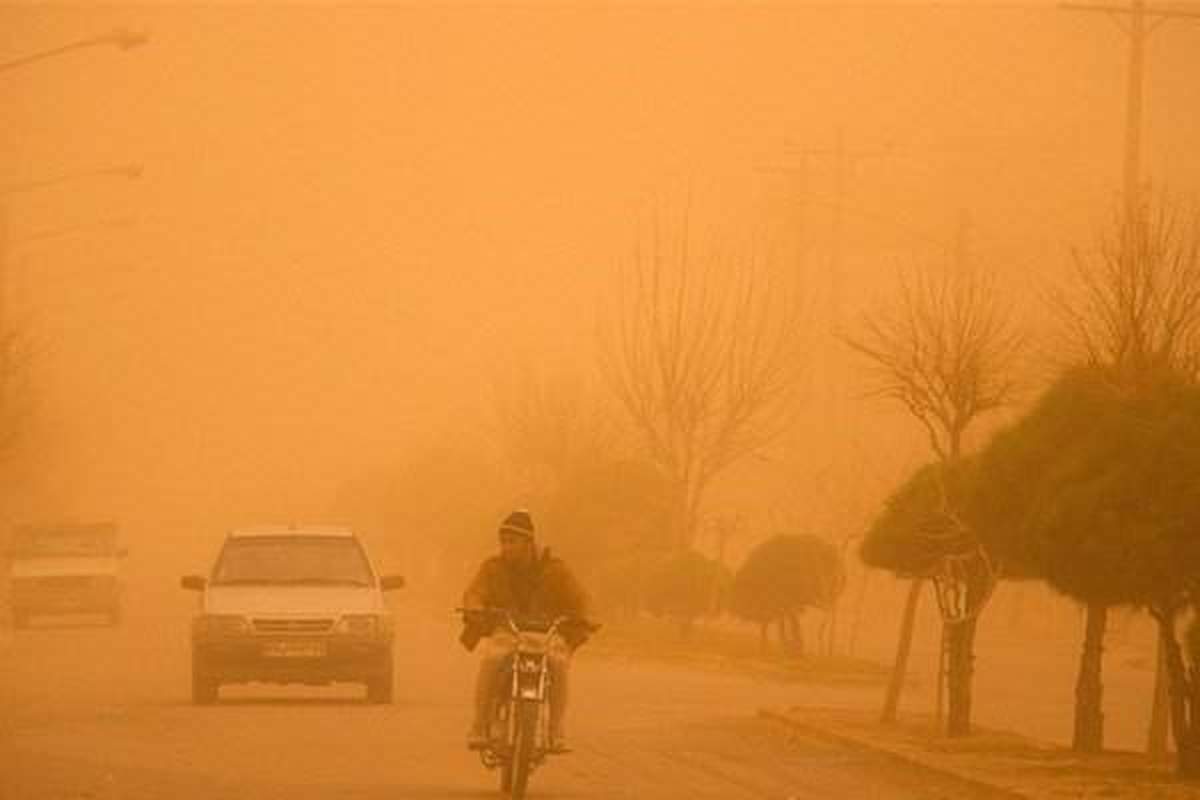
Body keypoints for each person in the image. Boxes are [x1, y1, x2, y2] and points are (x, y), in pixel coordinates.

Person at [460, 509, 590, 752]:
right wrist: (474, 608)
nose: (506, 547)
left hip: (547, 635)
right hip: (507, 632)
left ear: (529, 542)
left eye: (512, 541)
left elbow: (579, 598)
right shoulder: (492, 568)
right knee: (491, 659)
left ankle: (555, 729)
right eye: (503, 542)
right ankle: (479, 725)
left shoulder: (556, 569)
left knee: (559, 664)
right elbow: (475, 592)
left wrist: (584, 617)